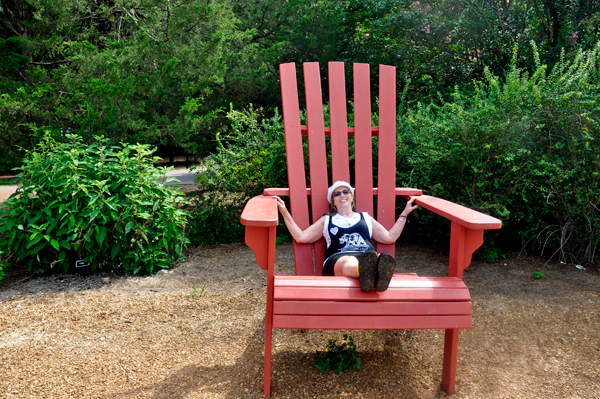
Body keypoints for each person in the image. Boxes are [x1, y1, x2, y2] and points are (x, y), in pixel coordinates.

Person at [275, 181, 418, 292]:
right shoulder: (327, 220)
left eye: (345, 192)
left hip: (367, 255)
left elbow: (389, 237)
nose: (342, 195)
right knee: (348, 260)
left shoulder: (365, 218)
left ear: (352, 196)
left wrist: (404, 213)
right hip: (338, 260)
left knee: (382, 256)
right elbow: (301, 237)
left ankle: (372, 272)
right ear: (333, 201)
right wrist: (284, 211)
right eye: (337, 194)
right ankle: (370, 273)